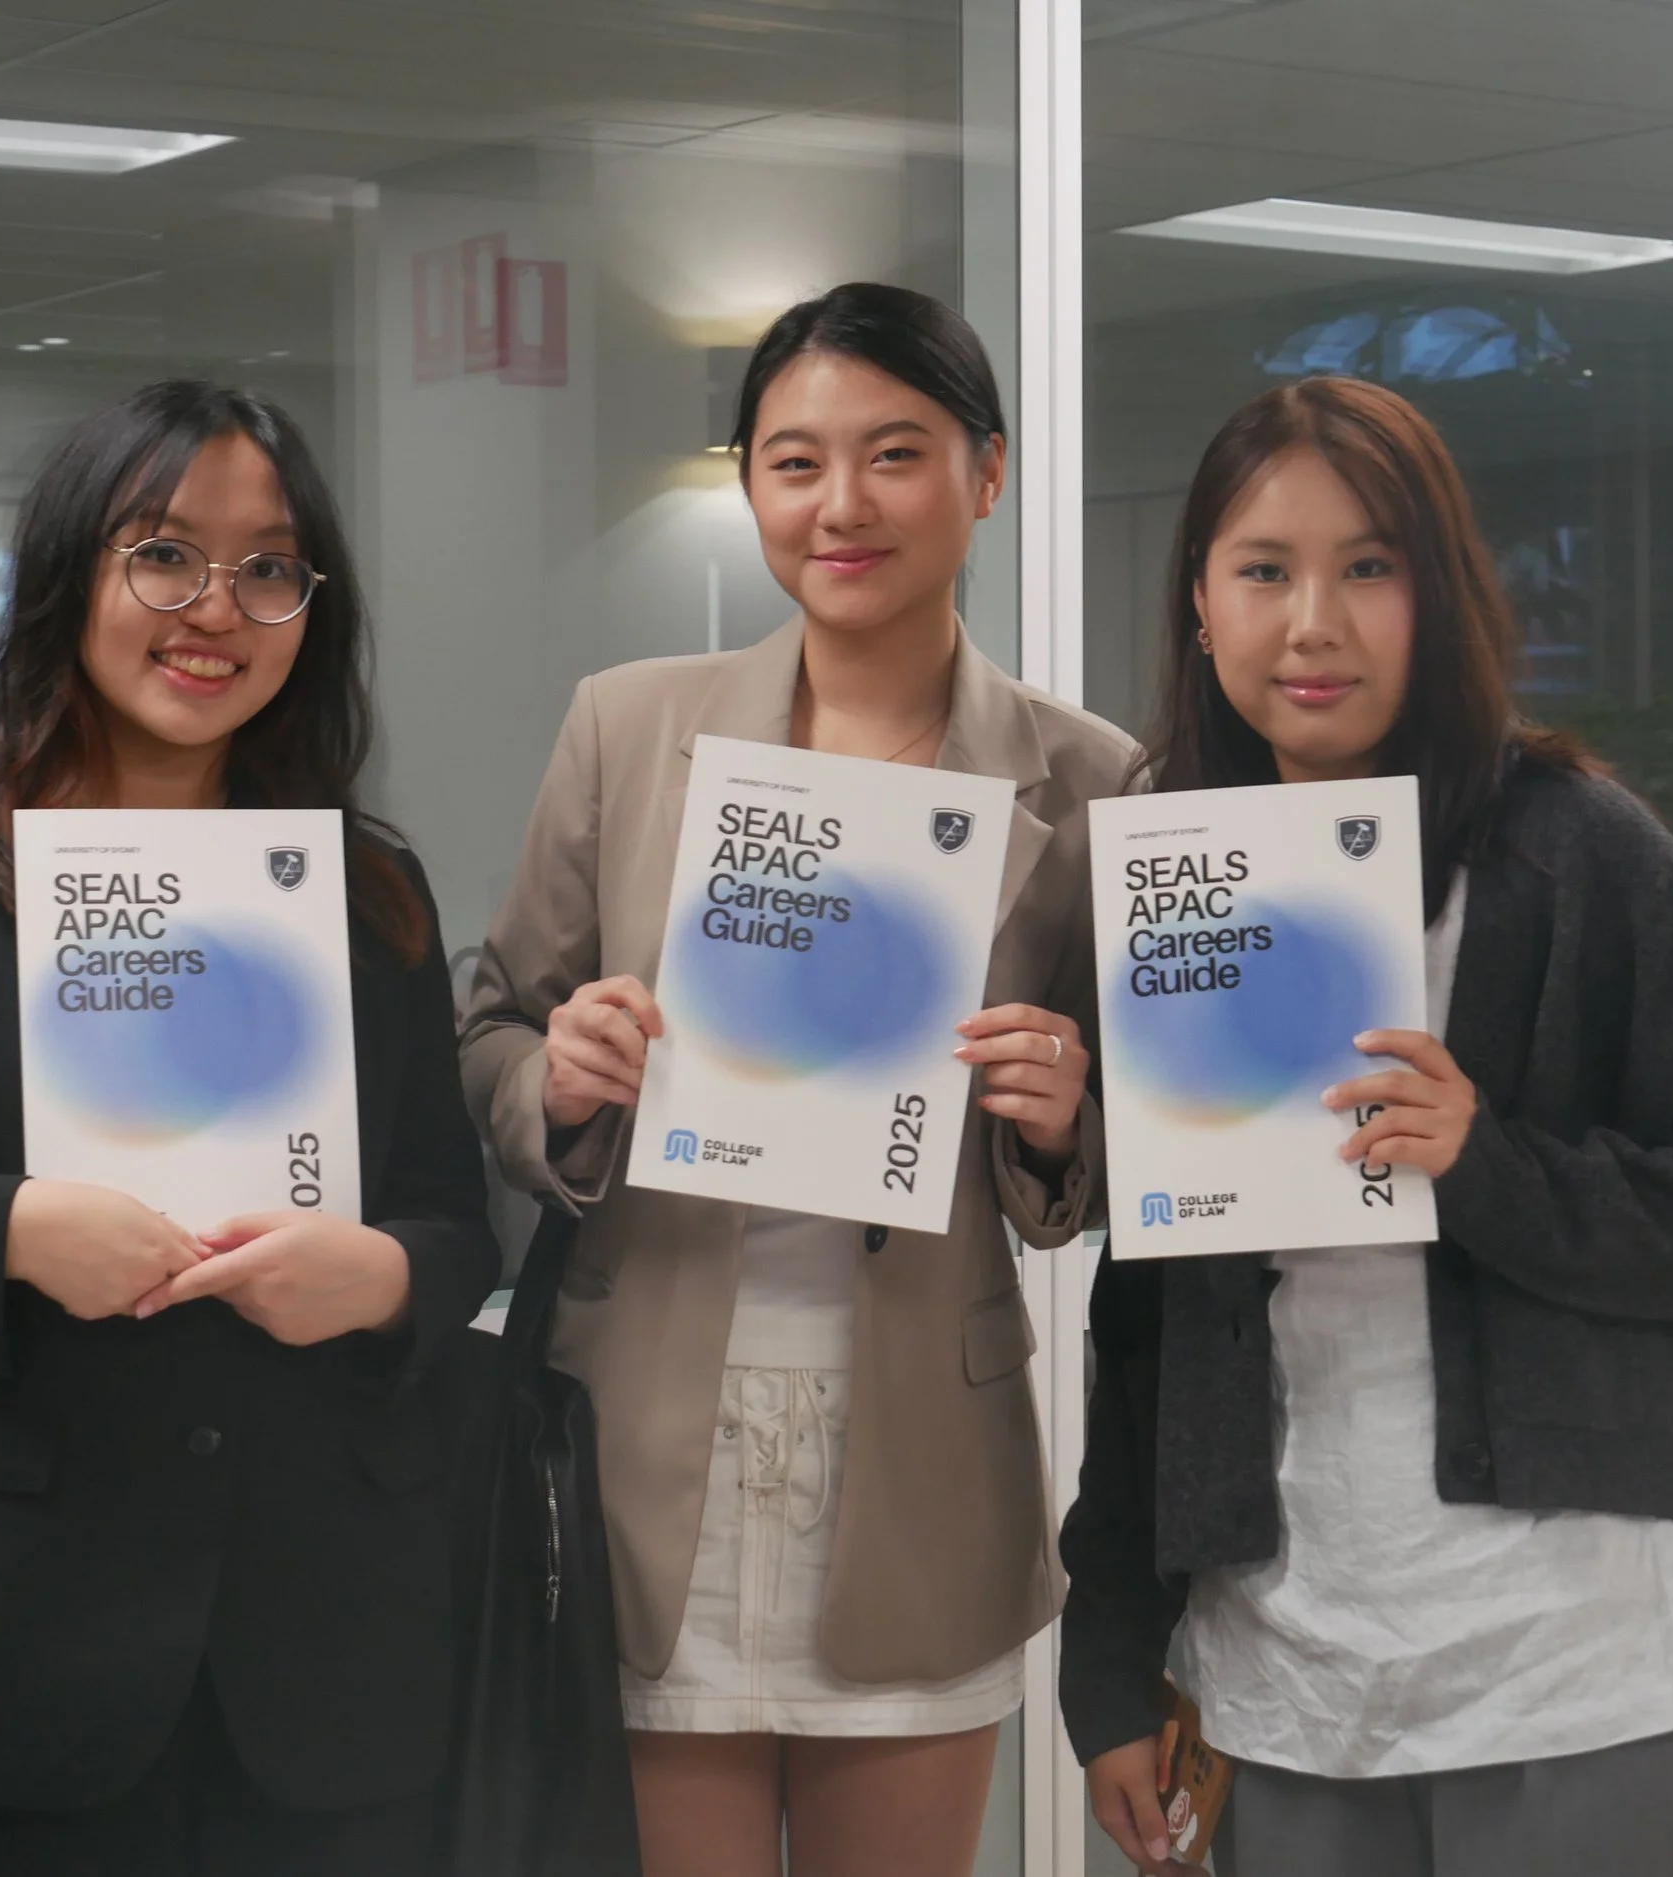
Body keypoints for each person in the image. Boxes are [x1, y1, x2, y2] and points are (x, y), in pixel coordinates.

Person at [0, 381, 501, 1875]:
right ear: (74, 571)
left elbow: (456, 1216)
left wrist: (379, 1278)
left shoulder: (359, 886)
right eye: (164, 552)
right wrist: (3, 1232)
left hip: (321, 1659)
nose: (217, 607)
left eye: (269, 567)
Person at [1058, 375, 1673, 1877]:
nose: (1315, 623)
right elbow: (1150, 1319)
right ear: (1201, 602)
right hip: (1293, 1678)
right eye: (1265, 571)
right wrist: (1108, 1651)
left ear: (1445, 594)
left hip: (1582, 1667)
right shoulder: (1177, 883)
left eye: (1372, 566)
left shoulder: (1574, 852)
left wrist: (1486, 1165)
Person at [459, 282, 1135, 1876]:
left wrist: (1060, 1120)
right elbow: (495, 1026)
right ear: (752, 482)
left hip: (916, 1454)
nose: (840, 505)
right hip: (643, 1440)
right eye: (793, 460)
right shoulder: (630, 729)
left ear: (987, 474)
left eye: (895, 454)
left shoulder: (1092, 778)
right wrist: (558, 1080)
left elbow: (1115, 1167)